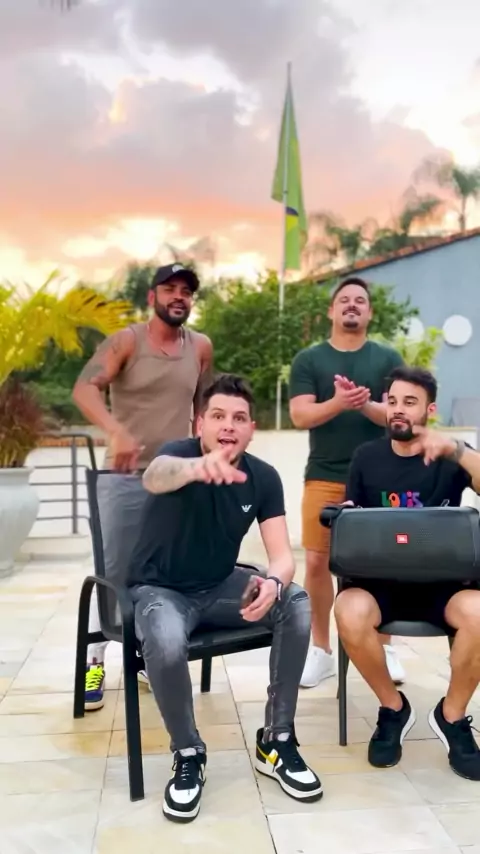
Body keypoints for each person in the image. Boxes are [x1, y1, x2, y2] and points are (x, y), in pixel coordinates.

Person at [126, 373, 323, 822]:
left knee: (294, 601)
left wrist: (273, 583)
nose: (228, 425)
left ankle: (276, 739)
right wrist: (197, 469)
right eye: (217, 416)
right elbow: (156, 477)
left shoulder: (263, 478)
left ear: (252, 428)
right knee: (166, 639)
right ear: (200, 424)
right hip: (161, 590)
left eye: (238, 418)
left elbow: (281, 557)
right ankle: (188, 752)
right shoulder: (177, 456)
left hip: (218, 588)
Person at [72, 263, 213, 710]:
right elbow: (84, 389)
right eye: (169, 289)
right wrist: (116, 431)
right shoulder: (127, 341)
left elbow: (202, 408)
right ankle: (95, 659)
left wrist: (207, 455)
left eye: (186, 290)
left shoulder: (201, 347)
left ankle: (152, 657)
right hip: (125, 478)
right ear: (152, 297)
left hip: (176, 478)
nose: (178, 296)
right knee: (114, 572)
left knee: (165, 572)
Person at [335, 365, 480, 779]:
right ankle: (393, 708)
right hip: (379, 584)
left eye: (410, 402)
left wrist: (456, 449)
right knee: (348, 611)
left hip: (444, 586)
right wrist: (348, 516)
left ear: (429, 410)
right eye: (393, 401)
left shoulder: (451, 457)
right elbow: (353, 515)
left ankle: (452, 716)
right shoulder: (366, 457)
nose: (398, 409)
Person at [289, 276, 404, 688]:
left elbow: (398, 416)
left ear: (369, 312)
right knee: (316, 562)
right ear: (331, 311)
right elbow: (300, 415)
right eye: (344, 300)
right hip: (324, 475)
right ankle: (320, 650)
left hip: (380, 478)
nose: (352, 305)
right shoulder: (310, 360)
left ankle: (385, 647)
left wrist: (364, 404)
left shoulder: (387, 358)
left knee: (384, 562)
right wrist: (338, 403)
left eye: (360, 300)